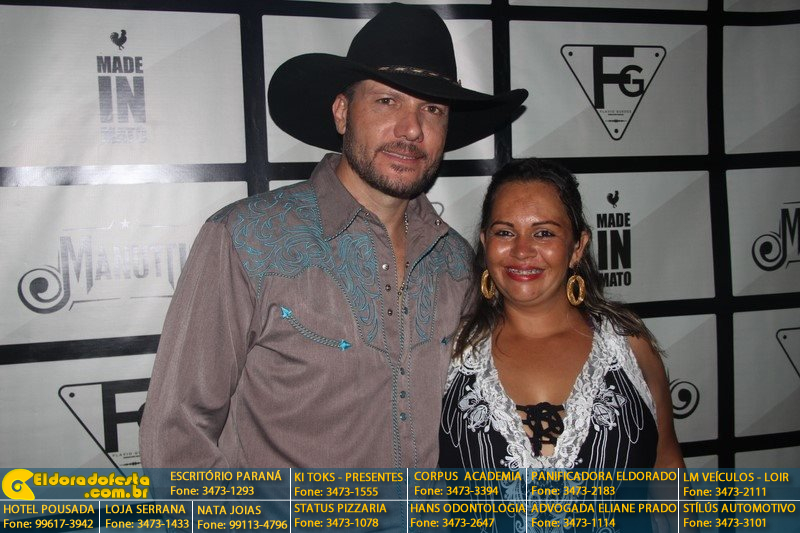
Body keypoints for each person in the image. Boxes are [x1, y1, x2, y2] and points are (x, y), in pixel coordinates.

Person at [139, 2, 527, 468]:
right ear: (343, 113)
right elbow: (176, 435)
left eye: (432, 109)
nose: (411, 129)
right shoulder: (246, 240)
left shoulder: (458, 263)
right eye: (387, 101)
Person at [439, 157, 685, 470]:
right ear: (486, 243)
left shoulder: (629, 346)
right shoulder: (449, 351)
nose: (522, 251)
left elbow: (669, 472)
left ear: (577, 247)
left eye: (544, 233)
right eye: (505, 232)